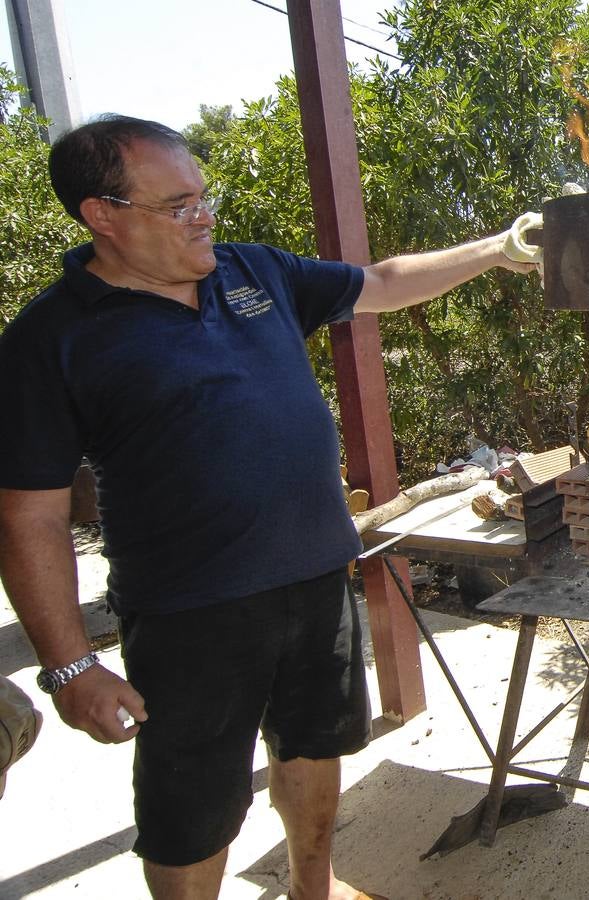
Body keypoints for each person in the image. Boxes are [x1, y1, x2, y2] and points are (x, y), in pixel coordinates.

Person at [0, 115, 536, 900]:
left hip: (318, 578)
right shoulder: (50, 339)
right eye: (177, 205)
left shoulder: (252, 272)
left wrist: (496, 247)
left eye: (202, 198)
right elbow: (29, 518)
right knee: (195, 808)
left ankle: (310, 891)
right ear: (101, 215)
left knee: (316, 753)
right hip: (192, 611)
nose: (204, 216)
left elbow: (381, 284)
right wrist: (72, 666)